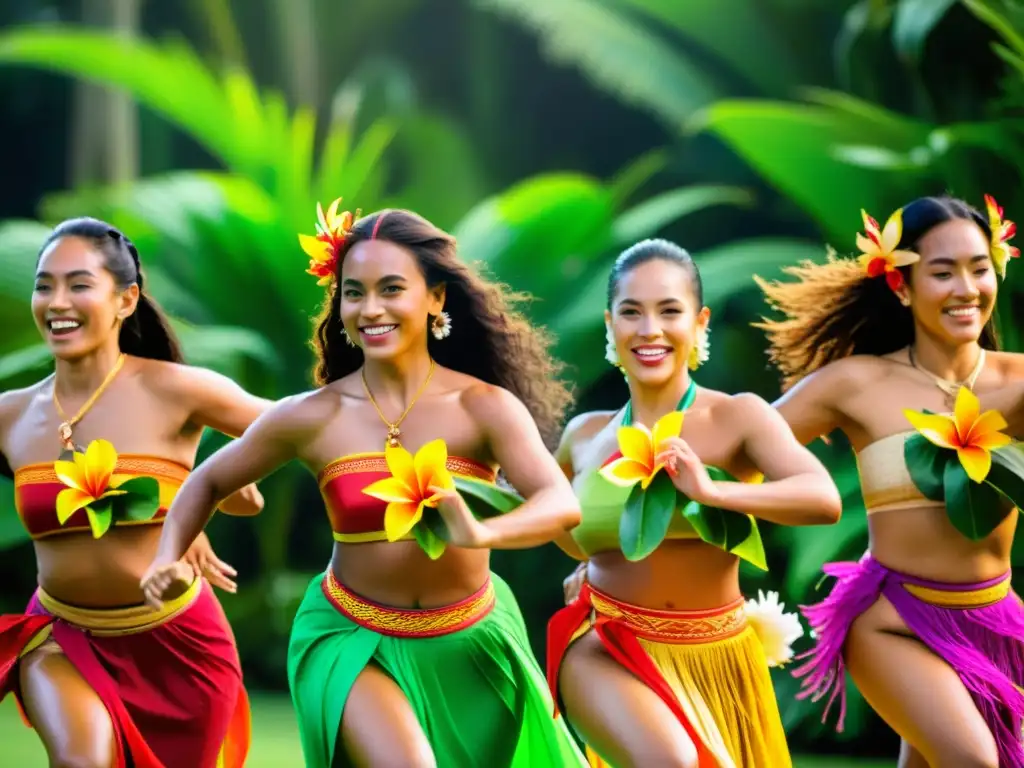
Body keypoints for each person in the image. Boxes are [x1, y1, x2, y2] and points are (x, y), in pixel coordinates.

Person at [140, 202, 589, 768]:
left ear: (436, 299)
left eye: (391, 289)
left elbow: (559, 503)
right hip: (351, 638)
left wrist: (478, 531)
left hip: (471, 640)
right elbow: (206, 480)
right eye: (354, 292)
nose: (370, 309)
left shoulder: (484, 408)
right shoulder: (313, 415)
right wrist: (167, 555)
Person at [550, 238, 843, 768]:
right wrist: (586, 562)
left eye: (670, 311)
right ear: (610, 324)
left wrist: (713, 492)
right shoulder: (585, 435)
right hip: (606, 647)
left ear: (700, 322)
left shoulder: (737, 417)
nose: (650, 330)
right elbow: (558, 520)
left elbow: (821, 498)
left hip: (719, 657)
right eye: (631, 312)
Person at [757, 195, 1024, 768]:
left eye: (979, 268)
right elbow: (738, 445)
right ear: (901, 287)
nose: (966, 288)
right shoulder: (855, 384)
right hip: (893, 619)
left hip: (996, 620)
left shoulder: (1020, 383)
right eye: (942, 272)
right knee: (976, 761)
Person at [0, 218, 271, 767]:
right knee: (84, 760)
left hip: (180, 646)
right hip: (62, 637)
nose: (57, 301)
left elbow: (308, 431)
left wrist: (195, 500)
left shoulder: (179, 390)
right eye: (43, 284)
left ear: (126, 300)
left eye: (78, 285)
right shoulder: (9, 415)